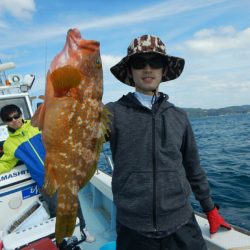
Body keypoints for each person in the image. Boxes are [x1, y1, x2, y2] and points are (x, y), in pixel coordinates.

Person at [106, 35, 231, 250]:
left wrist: (209, 209)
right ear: (129, 70)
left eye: (155, 62)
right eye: (139, 63)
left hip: (181, 222)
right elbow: (80, 141)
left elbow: (193, 167)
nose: (147, 69)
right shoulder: (111, 113)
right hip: (132, 228)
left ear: (164, 70)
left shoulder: (179, 116)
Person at [0, 104, 95, 243]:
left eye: (16, 116)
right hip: (43, 180)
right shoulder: (9, 144)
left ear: (21, 114)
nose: (14, 120)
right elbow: (5, 163)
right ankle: (61, 237)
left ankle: (82, 229)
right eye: (10, 119)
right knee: (55, 209)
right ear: (5, 122)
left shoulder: (37, 125)